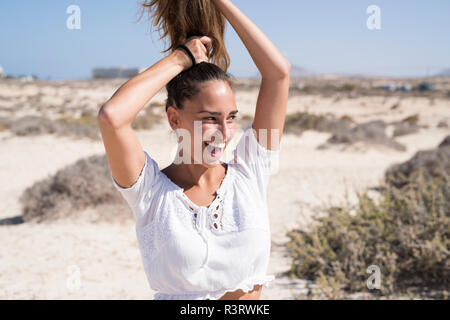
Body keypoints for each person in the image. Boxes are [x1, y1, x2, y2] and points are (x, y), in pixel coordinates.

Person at [98, 0, 290, 300]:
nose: (224, 134)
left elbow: (278, 73)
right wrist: (181, 58)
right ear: (174, 118)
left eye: (231, 118)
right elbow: (112, 117)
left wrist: (220, 2)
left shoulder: (250, 172)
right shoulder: (150, 192)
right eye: (210, 119)